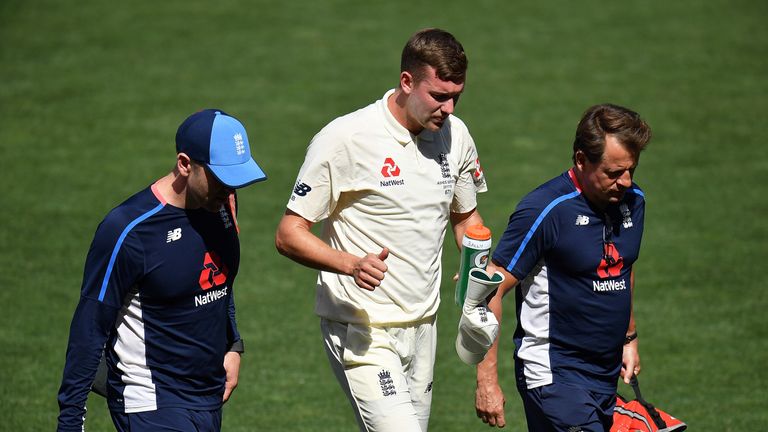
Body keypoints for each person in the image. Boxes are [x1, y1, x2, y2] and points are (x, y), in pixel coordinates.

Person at [275, 28, 487, 431]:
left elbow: (466, 219)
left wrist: (477, 262)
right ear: (407, 82)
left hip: (425, 326)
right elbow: (289, 232)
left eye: (456, 96)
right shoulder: (345, 139)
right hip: (362, 327)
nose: (450, 109)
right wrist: (351, 264)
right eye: (439, 96)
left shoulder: (456, 136)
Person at [57, 109, 267, 432]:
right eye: (222, 178)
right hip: (150, 399)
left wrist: (233, 343)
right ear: (185, 164)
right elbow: (90, 326)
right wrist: (70, 421)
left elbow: (219, 278)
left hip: (207, 395)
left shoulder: (223, 201)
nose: (230, 188)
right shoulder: (129, 231)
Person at [474, 104, 651, 431]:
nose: (625, 181)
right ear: (581, 160)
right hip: (554, 376)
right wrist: (487, 381)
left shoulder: (632, 201)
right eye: (613, 173)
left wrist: (629, 336)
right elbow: (488, 289)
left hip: (605, 374)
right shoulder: (545, 210)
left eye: (631, 170)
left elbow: (623, 266)